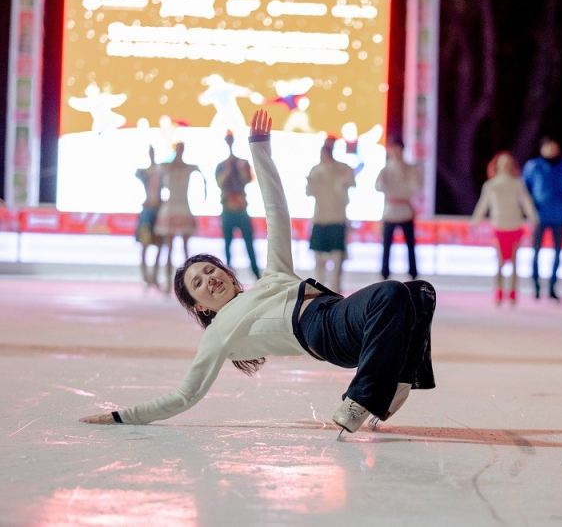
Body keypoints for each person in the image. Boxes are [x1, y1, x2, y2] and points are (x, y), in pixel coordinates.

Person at [79, 110, 436, 434]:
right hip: (320, 331)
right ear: (200, 306)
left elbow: (276, 211)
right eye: (199, 284)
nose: (209, 279)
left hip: (341, 316)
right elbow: (185, 395)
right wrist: (122, 416)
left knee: (419, 293)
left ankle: (392, 390)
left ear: (230, 275)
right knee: (390, 292)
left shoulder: (273, 276)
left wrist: (260, 151)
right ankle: (360, 399)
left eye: (210, 270)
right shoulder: (220, 332)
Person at [470, 151, 538, 305]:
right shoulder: (491, 185)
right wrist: (476, 220)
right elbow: (483, 204)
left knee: (514, 261)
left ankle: (513, 291)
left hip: (514, 225)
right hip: (499, 225)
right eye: (503, 163)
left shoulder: (517, 184)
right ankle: (499, 290)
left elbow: (526, 202)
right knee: (499, 261)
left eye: (508, 163)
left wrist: (533, 217)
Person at [522, 136, 562, 301]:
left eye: (554, 147)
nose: (552, 151)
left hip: (559, 215)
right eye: (548, 147)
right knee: (536, 252)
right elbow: (525, 189)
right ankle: (536, 286)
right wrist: (530, 209)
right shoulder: (533, 166)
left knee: (558, 253)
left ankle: (553, 286)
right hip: (538, 217)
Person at [154, 141, 207, 293]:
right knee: (169, 248)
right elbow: (155, 175)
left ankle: (189, 283)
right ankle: (168, 282)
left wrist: (205, 192)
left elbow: (202, 175)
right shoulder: (166, 167)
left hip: (183, 206)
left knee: (185, 249)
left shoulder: (188, 167)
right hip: (171, 206)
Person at [306, 136, 356, 293]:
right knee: (319, 261)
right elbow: (309, 191)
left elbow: (350, 183)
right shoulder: (316, 170)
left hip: (337, 219)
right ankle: (320, 290)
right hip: (320, 218)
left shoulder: (343, 169)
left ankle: (335, 290)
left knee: (337, 259)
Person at [376, 136, 423, 281]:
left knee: (410, 245)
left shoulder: (410, 169)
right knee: (386, 245)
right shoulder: (386, 169)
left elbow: (415, 188)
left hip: (405, 210)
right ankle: (384, 273)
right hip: (390, 210)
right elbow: (379, 186)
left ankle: (413, 273)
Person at [215, 131, 260, 279]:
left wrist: (240, 169)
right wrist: (228, 170)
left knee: (249, 245)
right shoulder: (222, 165)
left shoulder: (242, 163)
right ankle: (229, 277)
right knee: (228, 246)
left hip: (241, 209)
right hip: (228, 209)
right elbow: (219, 183)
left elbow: (248, 179)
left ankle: (257, 275)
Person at [134, 146, 164, 288]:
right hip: (147, 211)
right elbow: (137, 174)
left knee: (159, 245)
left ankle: (154, 276)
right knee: (144, 244)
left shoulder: (160, 172)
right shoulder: (145, 172)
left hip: (158, 211)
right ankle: (145, 276)